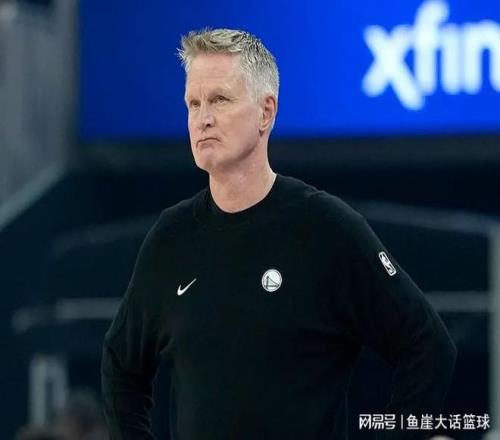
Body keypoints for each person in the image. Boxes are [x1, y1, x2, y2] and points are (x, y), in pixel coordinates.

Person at [101, 28, 457, 439]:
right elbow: (120, 366)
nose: (203, 118)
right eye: (193, 103)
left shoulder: (326, 228)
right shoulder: (171, 237)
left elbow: (428, 347)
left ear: (266, 112)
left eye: (220, 99)